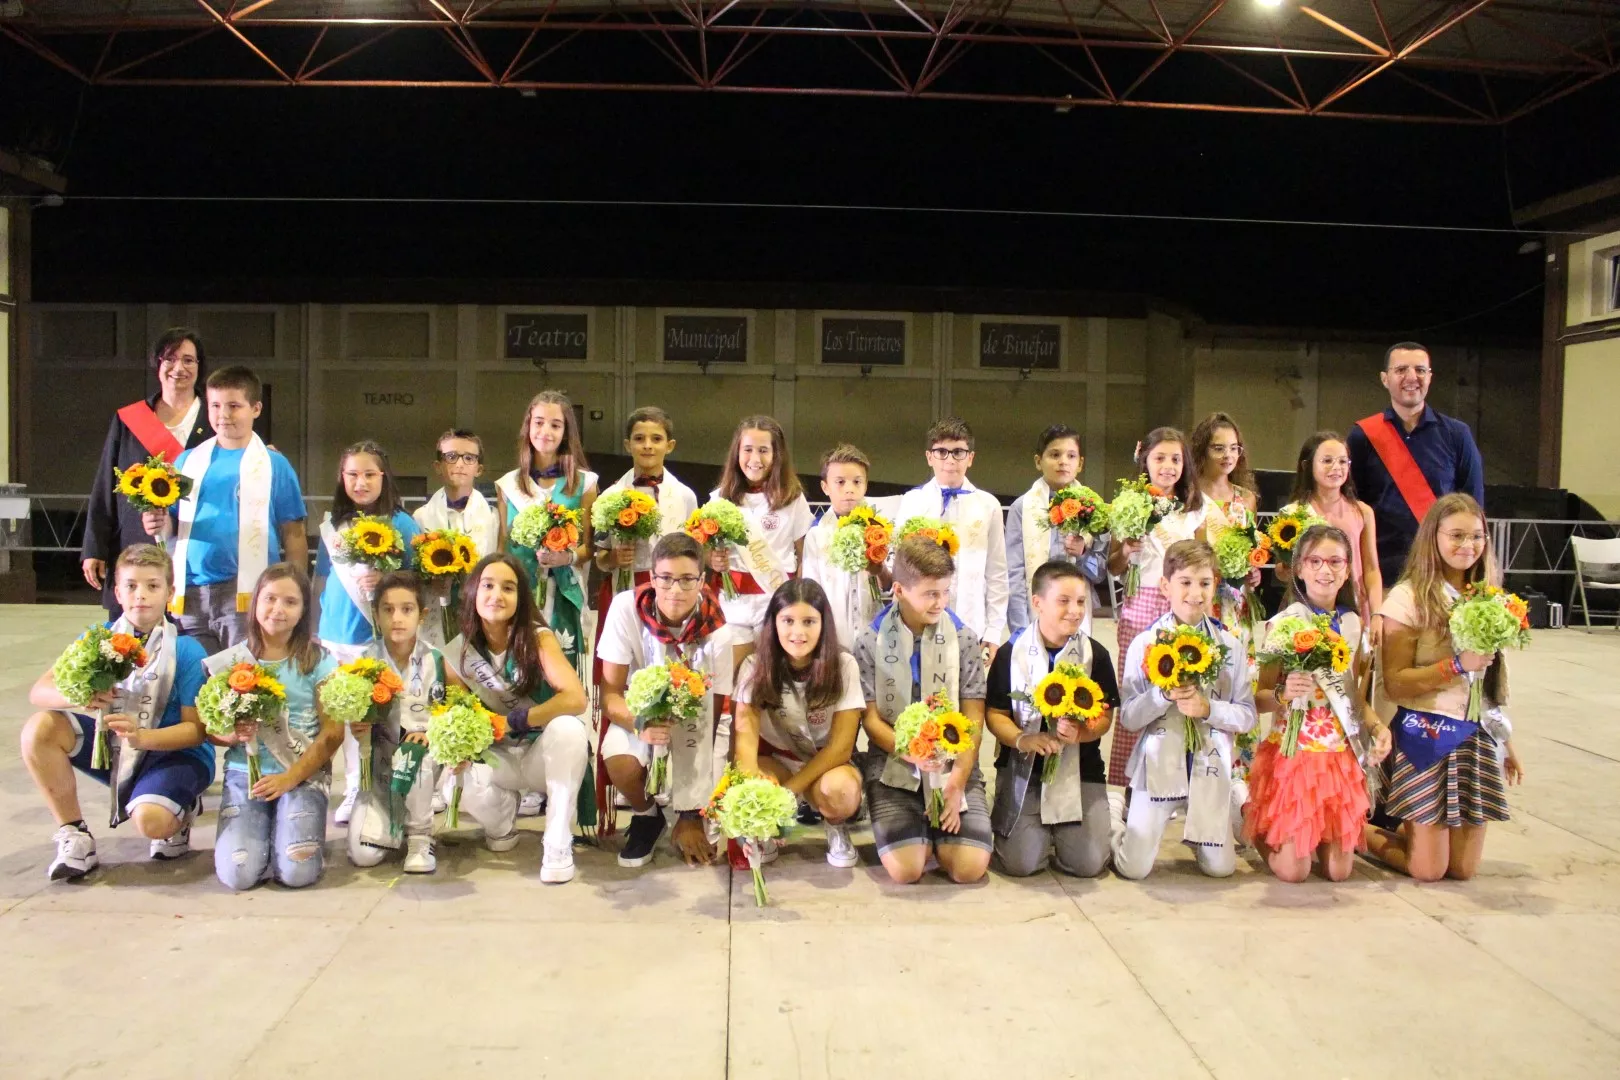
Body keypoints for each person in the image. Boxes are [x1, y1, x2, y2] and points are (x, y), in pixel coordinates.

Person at [21, 544, 212, 880]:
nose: (141, 595)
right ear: (117, 593)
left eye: (153, 586)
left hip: (175, 753)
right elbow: (39, 691)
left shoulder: (185, 650)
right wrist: (80, 694)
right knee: (40, 729)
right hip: (114, 746)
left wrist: (143, 737)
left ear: (170, 592)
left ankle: (181, 807)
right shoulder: (97, 640)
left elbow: (195, 731)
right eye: (131, 586)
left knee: (152, 823)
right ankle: (75, 834)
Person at [1364, 494, 1525, 882]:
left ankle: (1418, 831)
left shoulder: (1489, 596)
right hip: (1427, 734)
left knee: (1463, 870)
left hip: (1475, 738)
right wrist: (1454, 665)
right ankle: (1353, 832)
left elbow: (1485, 683)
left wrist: (1506, 744)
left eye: (1476, 537)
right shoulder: (1408, 598)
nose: (1467, 546)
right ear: (1432, 537)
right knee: (1428, 870)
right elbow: (1397, 685)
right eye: (1456, 536)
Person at [1245, 525, 1391, 882]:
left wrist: (1376, 727)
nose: (1325, 570)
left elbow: (1354, 696)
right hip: (1295, 754)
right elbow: (1258, 699)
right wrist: (1283, 694)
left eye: (1335, 562)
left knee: (1339, 873)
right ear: (1299, 568)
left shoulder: (1354, 625)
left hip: (1338, 756)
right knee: (1294, 873)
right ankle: (1255, 825)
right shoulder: (1282, 625)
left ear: (1347, 570)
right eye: (1315, 561)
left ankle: (1316, 838)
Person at [442, 553, 591, 883]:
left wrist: (516, 720)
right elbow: (457, 709)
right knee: (454, 777)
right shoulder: (458, 652)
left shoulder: (538, 638)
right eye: (488, 586)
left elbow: (576, 698)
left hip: (539, 754)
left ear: (520, 599)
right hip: (499, 759)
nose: (497, 595)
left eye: (508, 588)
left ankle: (557, 843)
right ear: (472, 593)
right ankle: (501, 822)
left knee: (570, 729)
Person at [1113, 539, 1256, 880]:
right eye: (1186, 583)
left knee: (1221, 870)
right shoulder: (1145, 644)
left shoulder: (1230, 647)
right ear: (1165, 586)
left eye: (1204, 583)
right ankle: (1114, 814)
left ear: (1215, 586)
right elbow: (1130, 718)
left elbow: (1247, 715)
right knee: (1133, 869)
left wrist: (1209, 709)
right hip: (1158, 768)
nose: (1196, 593)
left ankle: (1226, 805)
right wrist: (1162, 696)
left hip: (1208, 767)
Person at [143, 366, 308, 655]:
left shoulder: (274, 464)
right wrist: (157, 524)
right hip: (191, 591)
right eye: (215, 405)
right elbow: (173, 524)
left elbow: (293, 533)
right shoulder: (187, 461)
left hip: (245, 591)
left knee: (241, 681)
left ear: (256, 408)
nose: (223, 414)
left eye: (234, 406)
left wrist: (296, 592)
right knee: (194, 679)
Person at [855, 534, 992, 885]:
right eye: (931, 593)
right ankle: (913, 828)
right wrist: (913, 754)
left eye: (946, 592)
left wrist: (958, 780)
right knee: (908, 870)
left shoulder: (963, 639)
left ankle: (942, 832)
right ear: (899, 590)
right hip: (893, 766)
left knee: (968, 869)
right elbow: (870, 719)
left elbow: (974, 715)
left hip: (953, 763)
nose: (941, 603)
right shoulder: (870, 641)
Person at [599, 533, 735, 869]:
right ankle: (648, 816)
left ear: (702, 581)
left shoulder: (718, 629)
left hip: (699, 721)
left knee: (713, 839)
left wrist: (690, 814)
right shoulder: (624, 609)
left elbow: (714, 717)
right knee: (618, 758)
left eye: (688, 579)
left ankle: (685, 811)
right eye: (666, 578)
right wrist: (640, 724)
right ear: (652, 577)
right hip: (642, 714)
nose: (676, 590)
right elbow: (610, 695)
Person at [208, 563, 342, 892]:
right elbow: (210, 729)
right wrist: (231, 734)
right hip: (245, 774)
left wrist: (289, 779)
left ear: (303, 611)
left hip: (301, 773)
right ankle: (262, 837)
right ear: (255, 603)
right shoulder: (232, 661)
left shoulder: (320, 661)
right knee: (238, 874)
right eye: (269, 599)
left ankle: (288, 837)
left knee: (298, 873)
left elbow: (333, 733)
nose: (277, 610)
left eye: (290, 602)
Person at [986, 560, 1118, 878]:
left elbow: (1105, 717)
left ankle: (1107, 808)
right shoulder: (1011, 653)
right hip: (1024, 769)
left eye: (1081, 602)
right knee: (1021, 864)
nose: (1075, 611)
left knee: (1087, 865)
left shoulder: (1095, 655)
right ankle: (1029, 822)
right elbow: (995, 714)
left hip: (1079, 769)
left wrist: (1082, 733)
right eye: (1064, 601)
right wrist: (1023, 739)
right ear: (1037, 603)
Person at [314, 439, 422, 826]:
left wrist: (387, 578)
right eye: (352, 475)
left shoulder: (403, 523)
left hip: (375, 637)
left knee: (376, 718)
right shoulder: (334, 526)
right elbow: (321, 579)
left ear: (384, 477)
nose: (360, 482)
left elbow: (417, 578)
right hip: (334, 634)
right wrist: (314, 630)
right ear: (342, 478)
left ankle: (375, 788)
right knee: (344, 719)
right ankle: (352, 787)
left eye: (369, 475)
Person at [732, 579, 865, 868]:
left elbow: (841, 748)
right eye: (788, 620)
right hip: (778, 760)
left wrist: (787, 792)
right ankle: (764, 832)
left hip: (826, 763)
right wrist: (758, 802)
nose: (798, 632)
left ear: (823, 624)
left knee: (840, 793)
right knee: (753, 780)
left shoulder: (844, 665)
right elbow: (745, 744)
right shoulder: (754, 666)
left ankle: (835, 824)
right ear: (773, 622)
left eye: (809, 621)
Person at [83, 328, 212, 617]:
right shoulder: (129, 419)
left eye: (189, 360)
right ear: (158, 364)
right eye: (170, 359)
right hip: (135, 546)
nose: (179, 368)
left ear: (200, 367)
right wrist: (94, 547)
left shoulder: (216, 420)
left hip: (198, 549)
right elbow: (106, 483)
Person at [1105, 427, 1205, 788]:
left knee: (1179, 691)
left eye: (1176, 459)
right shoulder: (1128, 503)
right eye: (1160, 458)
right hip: (1139, 605)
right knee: (1137, 693)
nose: (1168, 466)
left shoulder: (1194, 509)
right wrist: (1126, 551)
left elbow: (1203, 563)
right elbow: (1112, 567)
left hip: (1182, 610)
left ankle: (1171, 781)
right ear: (1144, 460)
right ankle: (1126, 783)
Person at [345, 572, 460, 875]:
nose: (397, 618)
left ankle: (421, 837)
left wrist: (430, 731)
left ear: (422, 615)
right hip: (381, 765)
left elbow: (454, 712)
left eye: (406, 609)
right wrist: (357, 727)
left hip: (423, 760)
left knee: (414, 757)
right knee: (364, 857)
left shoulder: (436, 660)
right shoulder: (364, 664)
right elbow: (351, 720)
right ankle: (388, 819)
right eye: (388, 609)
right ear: (376, 614)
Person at [1348, 341, 1486, 586]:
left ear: (1430, 377)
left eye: (1420, 370)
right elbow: (1350, 504)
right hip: (1380, 571)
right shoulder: (1363, 436)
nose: (1412, 377)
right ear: (1384, 378)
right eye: (1401, 370)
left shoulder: (1457, 434)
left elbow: (1472, 505)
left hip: (1441, 568)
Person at [495, 390, 597, 678]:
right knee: (518, 675)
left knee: (559, 676)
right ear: (528, 427)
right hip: (520, 594)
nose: (545, 431)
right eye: (538, 422)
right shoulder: (508, 485)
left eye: (555, 424)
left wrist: (566, 557)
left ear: (566, 432)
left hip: (564, 592)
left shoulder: (585, 483)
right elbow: (503, 547)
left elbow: (591, 547)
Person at [898, 416, 1009, 649]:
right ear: (929, 457)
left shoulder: (988, 505)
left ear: (971, 458)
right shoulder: (912, 502)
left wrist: (993, 631)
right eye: (941, 452)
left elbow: (997, 572)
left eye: (958, 451)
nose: (950, 460)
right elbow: (898, 564)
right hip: (919, 623)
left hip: (971, 624)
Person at [708, 415, 812, 638]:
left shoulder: (792, 499)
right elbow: (704, 554)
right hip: (732, 602)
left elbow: (805, 557)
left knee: (773, 672)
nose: (754, 458)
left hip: (777, 601)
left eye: (763, 450)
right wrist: (711, 559)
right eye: (747, 449)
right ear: (737, 453)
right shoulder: (718, 499)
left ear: (776, 455)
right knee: (735, 672)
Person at [1005, 424, 1107, 641]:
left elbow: (1099, 572)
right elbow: (1014, 571)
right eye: (1054, 454)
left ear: (1080, 464)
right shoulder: (1021, 507)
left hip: (1076, 609)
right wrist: (1018, 628)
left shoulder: (1094, 508)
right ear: (1038, 461)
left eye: (1071, 456)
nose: (1063, 461)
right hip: (1036, 609)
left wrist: (1083, 555)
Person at [1279, 432, 1385, 633]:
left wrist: (1376, 613)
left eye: (1343, 461)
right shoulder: (1293, 514)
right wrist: (1288, 568)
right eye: (1327, 461)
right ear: (1308, 466)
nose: (1337, 467)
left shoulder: (1362, 512)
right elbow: (1282, 572)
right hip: (1305, 607)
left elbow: (1371, 569)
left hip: (1352, 607)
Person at [799, 443, 893, 652]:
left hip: (874, 635)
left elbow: (891, 587)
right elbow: (812, 593)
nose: (849, 489)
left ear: (866, 485)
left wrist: (880, 570)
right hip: (832, 638)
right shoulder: (816, 535)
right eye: (840, 482)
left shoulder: (880, 529)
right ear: (825, 487)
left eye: (856, 482)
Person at [414, 428, 499, 647]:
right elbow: (414, 572)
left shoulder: (494, 517)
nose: (460, 464)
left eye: (469, 458)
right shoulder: (421, 518)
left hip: (479, 614)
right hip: (435, 615)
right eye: (451, 457)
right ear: (438, 466)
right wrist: (432, 582)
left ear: (479, 468)